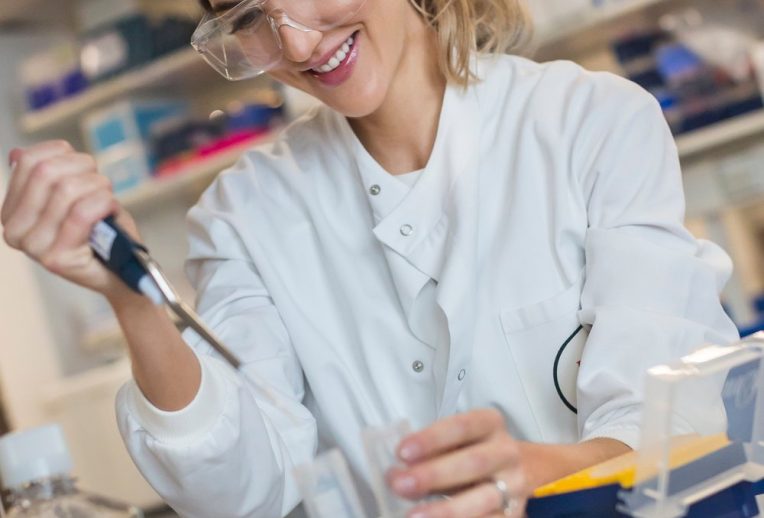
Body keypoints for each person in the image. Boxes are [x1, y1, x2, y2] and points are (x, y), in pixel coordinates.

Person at [0, 0, 740, 516]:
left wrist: (528, 476)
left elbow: (676, 429)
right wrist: (130, 298)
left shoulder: (590, 123)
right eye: (251, 16)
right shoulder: (246, 212)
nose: (294, 46)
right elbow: (239, 489)